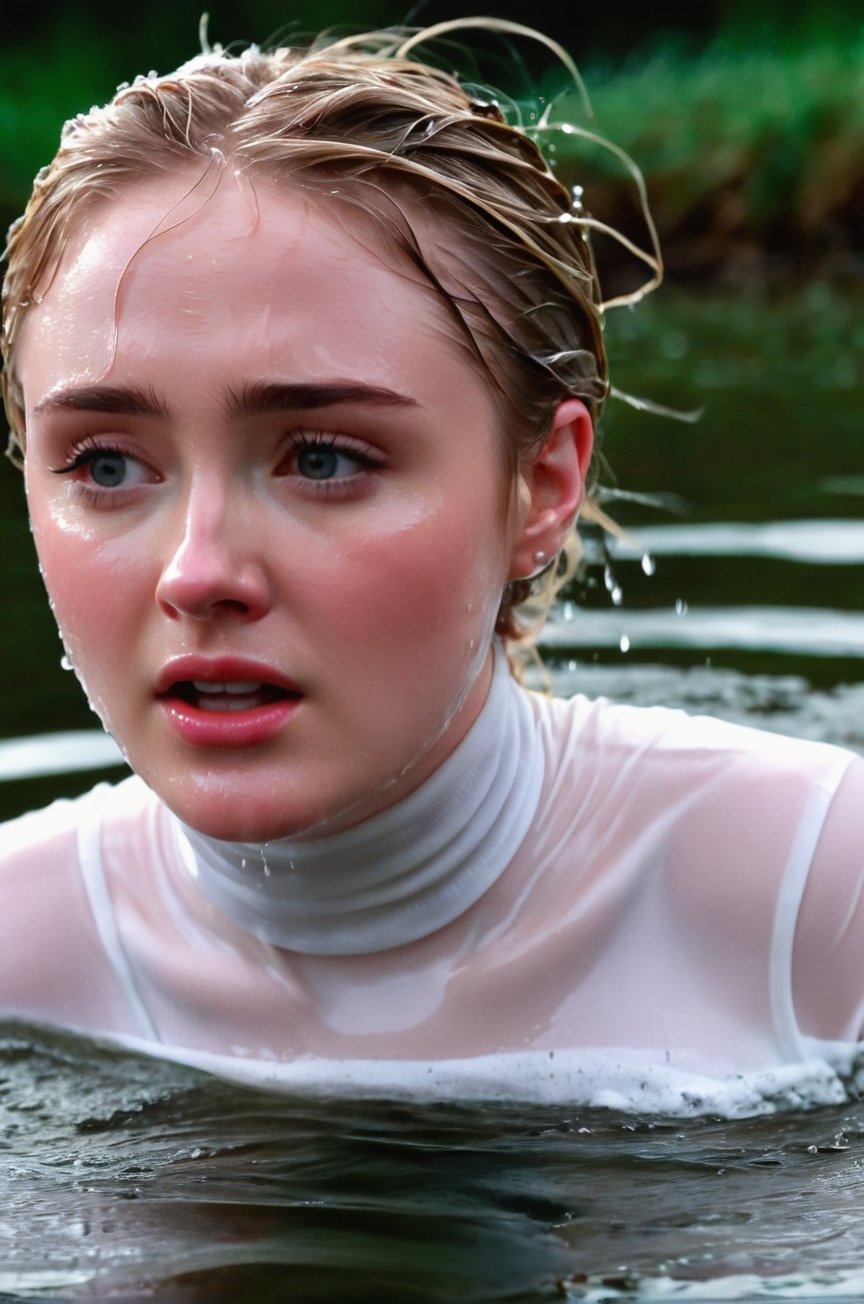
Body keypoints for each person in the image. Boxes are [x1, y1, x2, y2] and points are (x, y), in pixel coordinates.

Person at [0, 17, 862, 1115]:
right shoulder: (14, 960)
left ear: (540, 485)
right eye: (108, 463)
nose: (198, 570)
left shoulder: (821, 904)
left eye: (322, 457)